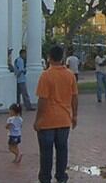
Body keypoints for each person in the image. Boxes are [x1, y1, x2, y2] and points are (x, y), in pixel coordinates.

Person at [34, 45, 78, 183]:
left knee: (46, 154)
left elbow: (42, 100)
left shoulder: (46, 75)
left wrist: (38, 120)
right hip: (64, 119)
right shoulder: (70, 75)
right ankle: (61, 177)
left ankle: (45, 179)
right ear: (62, 57)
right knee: (62, 151)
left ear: (49, 58)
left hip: (48, 120)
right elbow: (74, 96)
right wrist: (74, 115)